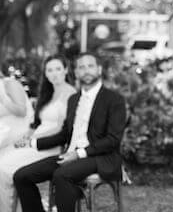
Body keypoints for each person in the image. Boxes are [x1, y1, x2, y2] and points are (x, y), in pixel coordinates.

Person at [13, 53, 127, 212]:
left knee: (62, 175)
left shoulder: (114, 99)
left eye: (90, 66)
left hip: (101, 157)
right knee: (21, 176)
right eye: (81, 67)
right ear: (76, 72)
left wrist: (79, 154)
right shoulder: (73, 99)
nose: (86, 71)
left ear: (99, 70)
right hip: (70, 155)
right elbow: (64, 134)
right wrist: (32, 142)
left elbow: (113, 140)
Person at [0, 55, 76, 212]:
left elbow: (63, 129)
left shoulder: (71, 94)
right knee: (4, 156)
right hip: (34, 142)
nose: (54, 73)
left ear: (66, 70)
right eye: (50, 70)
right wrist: (25, 137)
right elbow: (36, 123)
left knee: (2, 167)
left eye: (58, 69)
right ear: (46, 74)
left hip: (50, 146)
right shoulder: (47, 94)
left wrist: (33, 140)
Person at [0, 69, 33, 150]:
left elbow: (22, 111)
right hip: (5, 145)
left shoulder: (9, 83)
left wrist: (3, 98)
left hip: (23, 142)